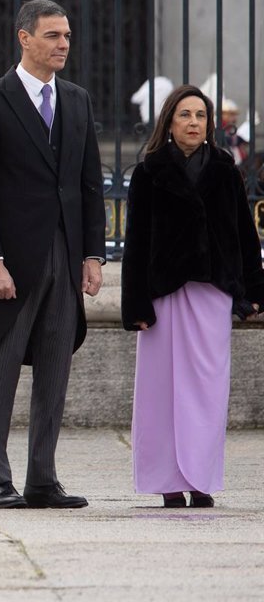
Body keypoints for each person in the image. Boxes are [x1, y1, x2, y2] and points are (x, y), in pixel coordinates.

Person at [0, 0, 105, 510]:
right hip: (11, 262)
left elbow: (89, 184)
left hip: (65, 258)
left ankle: (43, 477)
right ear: (24, 38)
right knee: (0, 370)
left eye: (66, 35)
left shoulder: (79, 100)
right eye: (52, 35)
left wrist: (93, 254)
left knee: (54, 368)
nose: (63, 44)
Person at [121, 85, 264, 508]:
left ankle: (200, 479)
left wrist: (255, 290)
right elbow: (136, 242)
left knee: (206, 389)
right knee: (160, 390)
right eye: (185, 115)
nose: (193, 123)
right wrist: (135, 306)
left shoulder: (224, 168)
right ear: (169, 122)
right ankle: (167, 482)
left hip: (212, 293)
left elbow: (243, 232)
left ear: (209, 124)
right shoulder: (149, 171)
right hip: (163, 293)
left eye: (200, 116)